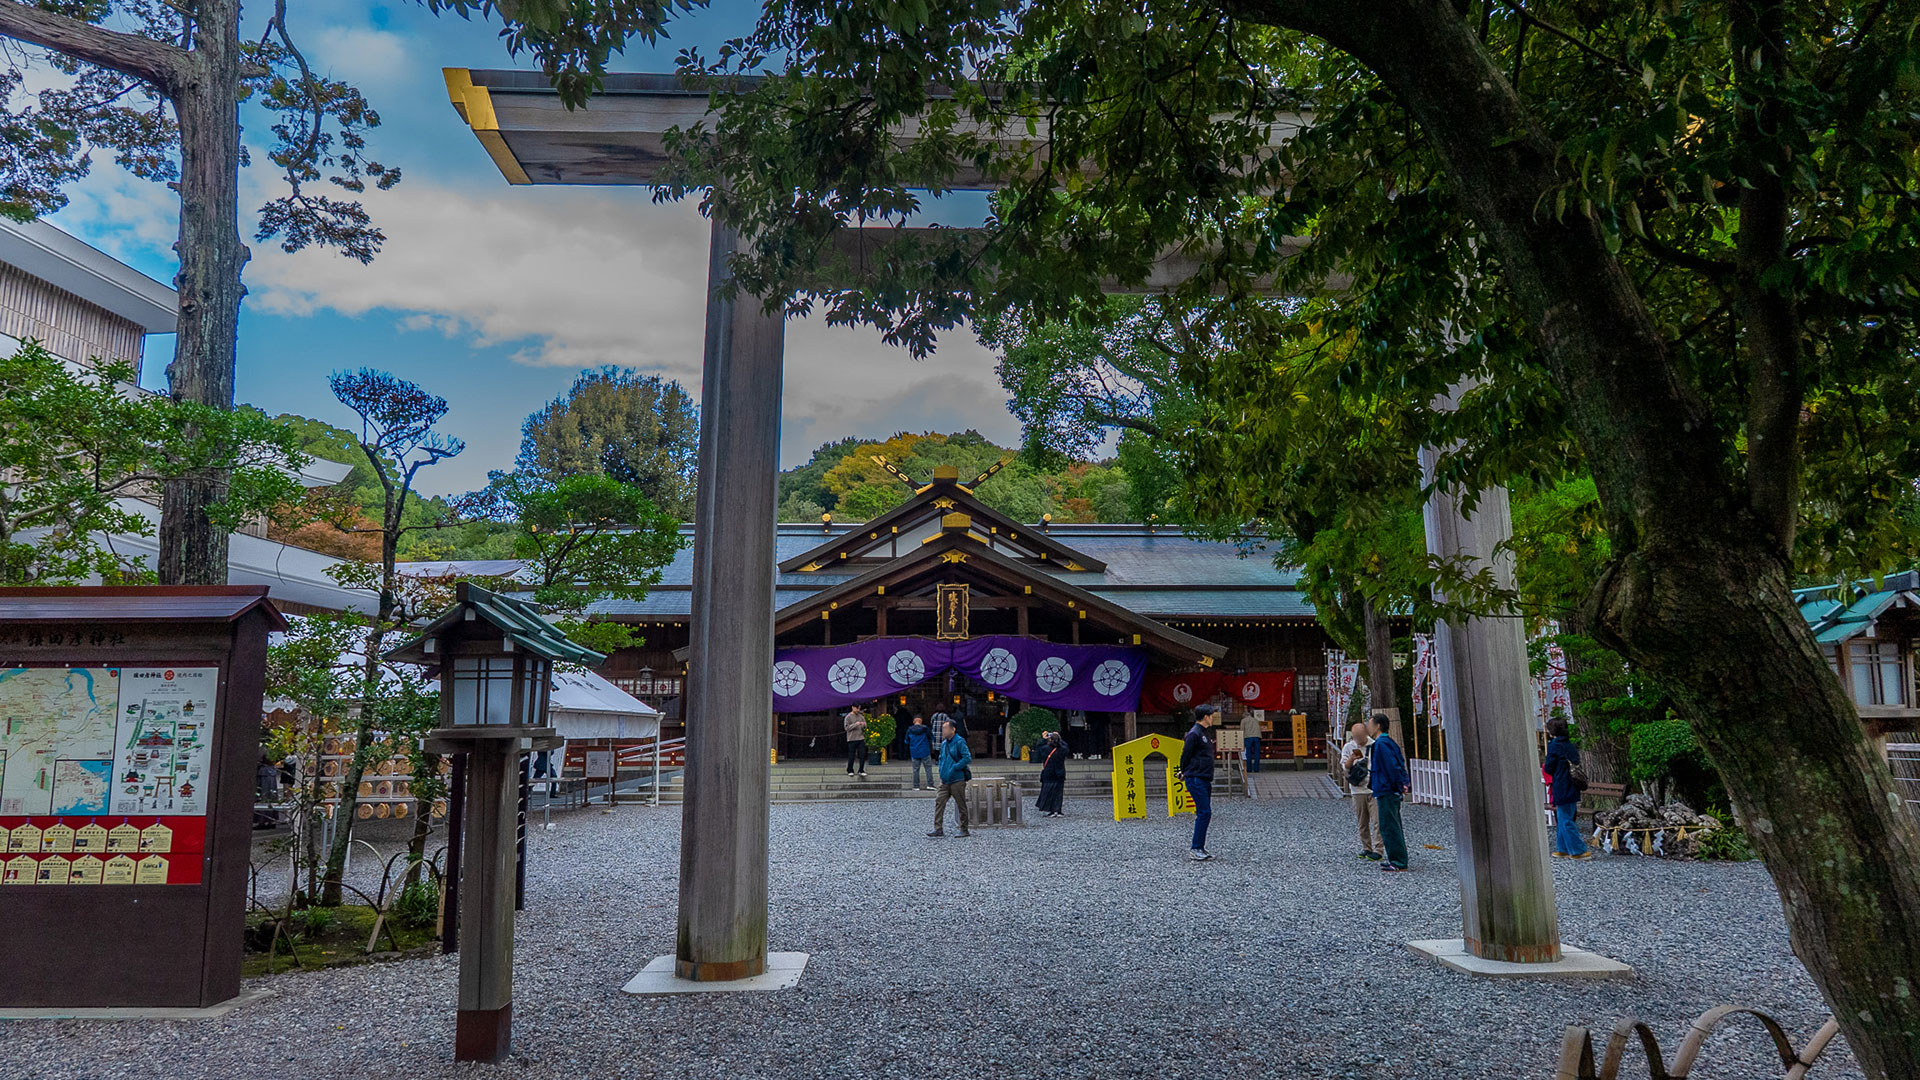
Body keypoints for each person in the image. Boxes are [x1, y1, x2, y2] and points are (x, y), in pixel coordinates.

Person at [1543, 718, 1593, 859]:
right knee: (1565, 815)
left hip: (1561, 784)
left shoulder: (1553, 746)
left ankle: (1578, 850)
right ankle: (1563, 847)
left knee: (1565, 819)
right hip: (1573, 784)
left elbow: (1549, 767)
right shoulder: (1570, 745)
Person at [1368, 712, 1412, 872]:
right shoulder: (1390, 743)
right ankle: (1397, 858)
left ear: (1378, 726)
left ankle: (1398, 861)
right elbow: (1399, 763)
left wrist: (1398, 784)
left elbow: (1391, 767)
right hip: (1389, 788)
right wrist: (1404, 782)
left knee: (1389, 825)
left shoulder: (1381, 744)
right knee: (1392, 823)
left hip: (1386, 788)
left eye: (1370, 723)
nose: (1368, 727)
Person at [1177, 705, 1219, 861]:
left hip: (1204, 777)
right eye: (1211, 715)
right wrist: (1184, 771)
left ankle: (1200, 847)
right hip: (1196, 777)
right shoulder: (1194, 734)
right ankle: (1196, 847)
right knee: (1204, 812)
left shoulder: (1203, 733)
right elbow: (1185, 755)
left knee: (1204, 813)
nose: (1213, 717)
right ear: (1206, 716)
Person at [1341, 719, 1383, 861]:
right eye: (1355, 737)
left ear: (1366, 733)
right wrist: (1352, 758)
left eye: (1360, 737)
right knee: (1362, 822)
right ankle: (1366, 847)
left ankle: (1378, 850)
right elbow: (1345, 768)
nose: (1358, 740)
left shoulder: (1375, 745)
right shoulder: (1349, 747)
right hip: (1357, 789)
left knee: (1377, 821)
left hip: (1373, 788)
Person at [929, 719, 973, 837]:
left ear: (953, 729)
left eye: (945, 728)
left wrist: (955, 767)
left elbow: (967, 758)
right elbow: (942, 758)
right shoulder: (944, 743)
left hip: (957, 779)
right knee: (939, 801)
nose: (943, 730)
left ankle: (964, 828)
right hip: (945, 779)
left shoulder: (959, 742)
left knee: (960, 804)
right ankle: (938, 828)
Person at [1035, 731, 1068, 816]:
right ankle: (1058, 809)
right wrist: (1058, 736)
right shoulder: (1063, 749)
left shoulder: (1045, 749)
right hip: (1059, 772)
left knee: (1048, 791)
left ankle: (1051, 809)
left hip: (1048, 773)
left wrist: (1043, 739)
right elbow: (1066, 745)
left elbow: (1038, 747)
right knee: (1059, 792)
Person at [905, 714, 935, 790]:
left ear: (913, 721)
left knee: (915, 769)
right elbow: (931, 737)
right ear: (921, 721)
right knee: (928, 768)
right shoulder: (925, 729)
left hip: (914, 751)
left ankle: (916, 786)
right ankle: (930, 784)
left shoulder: (909, 730)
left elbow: (906, 741)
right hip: (925, 750)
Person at [843, 703, 869, 778]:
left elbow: (865, 726)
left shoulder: (861, 716)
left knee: (862, 754)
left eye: (859, 708)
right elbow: (847, 728)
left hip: (861, 738)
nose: (858, 710)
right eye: (857, 708)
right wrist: (855, 724)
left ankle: (861, 770)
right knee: (851, 755)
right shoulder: (848, 717)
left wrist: (864, 725)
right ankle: (850, 770)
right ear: (853, 707)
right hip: (851, 738)